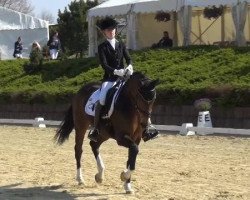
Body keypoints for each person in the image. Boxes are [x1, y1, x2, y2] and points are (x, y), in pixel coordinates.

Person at [88, 17, 133, 142]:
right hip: (110, 79)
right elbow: (104, 64)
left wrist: (129, 66)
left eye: (113, 29)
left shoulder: (121, 44)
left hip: (123, 78)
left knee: (137, 93)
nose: (112, 31)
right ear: (104, 32)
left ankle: (146, 127)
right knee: (102, 99)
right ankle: (95, 128)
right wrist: (115, 71)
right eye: (109, 30)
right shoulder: (102, 47)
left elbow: (128, 58)